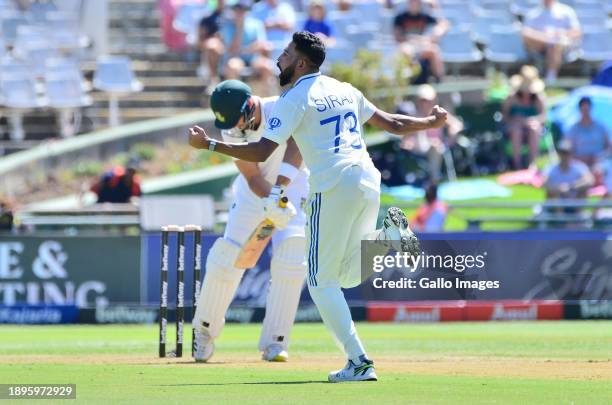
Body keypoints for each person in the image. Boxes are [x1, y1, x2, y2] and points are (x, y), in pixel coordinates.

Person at [188, 31, 448, 382]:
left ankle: (334, 355)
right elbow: (394, 123)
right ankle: (389, 236)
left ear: (301, 62)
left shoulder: (290, 100)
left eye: (285, 53)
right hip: (362, 180)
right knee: (341, 274)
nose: (279, 58)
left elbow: (274, 148)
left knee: (312, 275)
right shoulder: (342, 88)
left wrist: (213, 148)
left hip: (323, 185)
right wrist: (430, 123)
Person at [192, 80, 309, 363]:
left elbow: (299, 147)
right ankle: (204, 332)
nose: (234, 129)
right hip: (252, 195)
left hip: (293, 188)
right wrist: (271, 198)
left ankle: (275, 343)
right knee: (226, 257)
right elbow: (254, 177)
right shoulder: (231, 129)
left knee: (292, 259)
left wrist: (281, 197)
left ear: (250, 105)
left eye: (237, 120)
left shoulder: (281, 110)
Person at [399, 84, 463, 182]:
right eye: (423, 100)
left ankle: (434, 180)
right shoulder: (414, 116)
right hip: (419, 148)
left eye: (429, 100)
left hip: (438, 147)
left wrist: (451, 134)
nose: (426, 103)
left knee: (435, 148)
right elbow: (405, 139)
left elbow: (457, 124)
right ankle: (434, 180)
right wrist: (408, 142)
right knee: (428, 142)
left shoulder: (439, 115)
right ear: (419, 101)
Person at [522, 0, 581, 84]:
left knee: (556, 44)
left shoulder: (567, 11)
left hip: (562, 47)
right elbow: (526, 33)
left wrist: (560, 34)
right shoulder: (533, 13)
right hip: (538, 46)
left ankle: (550, 79)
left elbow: (576, 32)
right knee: (551, 43)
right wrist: (546, 38)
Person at [217, 0, 275, 86]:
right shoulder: (227, 26)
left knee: (267, 66)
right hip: (235, 58)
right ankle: (233, 97)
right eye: (237, 9)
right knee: (232, 67)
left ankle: (266, 97)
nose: (240, 12)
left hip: (253, 59)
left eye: (243, 9)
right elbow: (232, 50)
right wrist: (239, 28)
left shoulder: (256, 24)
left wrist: (244, 49)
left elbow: (261, 45)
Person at [502, 66, 546, 170]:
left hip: (532, 129)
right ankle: (517, 164)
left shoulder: (538, 98)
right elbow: (504, 116)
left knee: (534, 129)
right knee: (516, 130)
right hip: (514, 128)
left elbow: (543, 116)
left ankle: (532, 164)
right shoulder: (511, 98)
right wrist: (515, 120)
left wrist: (534, 120)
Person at [393, 0, 448, 83]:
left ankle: (439, 81)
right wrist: (410, 39)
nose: (414, 3)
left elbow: (444, 24)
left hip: (422, 45)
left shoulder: (424, 16)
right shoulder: (400, 17)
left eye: (416, 2)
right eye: (412, 2)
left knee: (434, 50)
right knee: (406, 51)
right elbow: (397, 37)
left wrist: (437, 32)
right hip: (407, 45)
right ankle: (409, 81)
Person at [565, 96, 609, 170]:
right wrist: (580, 159)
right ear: (580, 109)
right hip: (579, 164)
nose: (586, 111)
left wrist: (599, 157)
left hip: (600, 162)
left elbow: (608, 147)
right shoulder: (573, 129)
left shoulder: (601, 127)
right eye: (583, 108)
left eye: (587, 108)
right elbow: (567, 149)